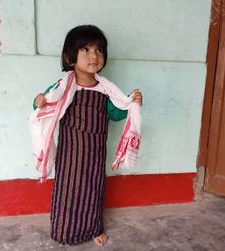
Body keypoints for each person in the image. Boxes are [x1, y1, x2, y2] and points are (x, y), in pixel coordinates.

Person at [32, 25, 142, 246]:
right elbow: (45, 106)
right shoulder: (62, 87)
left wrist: (131, 103)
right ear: (69, 57)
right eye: (86, 49)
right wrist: (38, 101)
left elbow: (116, 113)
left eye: (99, 50)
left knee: (94, 190)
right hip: (70, 155)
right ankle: (63, 229)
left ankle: (94, 227)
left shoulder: (105, 90)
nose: (94, 55)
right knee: (67, 191)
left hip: (95, 154)